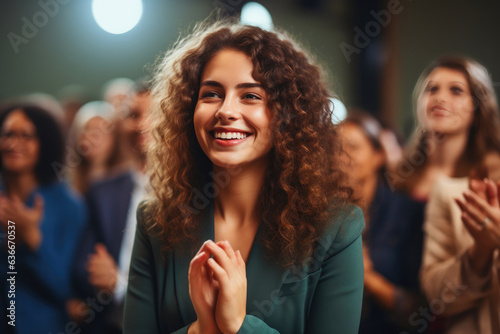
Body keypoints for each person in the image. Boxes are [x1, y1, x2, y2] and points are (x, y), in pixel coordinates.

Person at [123, 19, 365, 334]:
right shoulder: (155, 221)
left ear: (286, 115)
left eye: (250, 96)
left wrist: (239, 325)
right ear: (188, 109)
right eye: (211, 94)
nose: (226, 110)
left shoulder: (337, 228)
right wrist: (201, 331)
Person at [417, 56, 500, 334]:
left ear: (477, 107)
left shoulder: (492, 179)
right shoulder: (395, 177)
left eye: (455, 90)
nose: (440, 98)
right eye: (432, 89)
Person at [70, 82, 152, 334]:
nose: (143, 124)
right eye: (133, 115)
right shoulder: (103, 190)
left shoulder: (192, 193)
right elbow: (84, 266)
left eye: (155, 113)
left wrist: (119, 285)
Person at [0, 103, 87, 334]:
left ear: (44, 143)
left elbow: (67, 289)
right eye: (7, 134)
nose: (13, 143)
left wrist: (32, 237)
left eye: (26, 136)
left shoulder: (69, 205)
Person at [340, 111, 426, 333]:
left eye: (353, 147)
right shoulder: (321, 214)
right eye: (333, 148)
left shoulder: (408, 213)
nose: (340, 156)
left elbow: (421, 314)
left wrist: (368, 279)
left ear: (378, 155)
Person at [67, 101, 121, 194]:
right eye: (87, 129)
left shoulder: (127, 183)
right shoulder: (67, 184)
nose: (93, 137)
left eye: (101, 130)